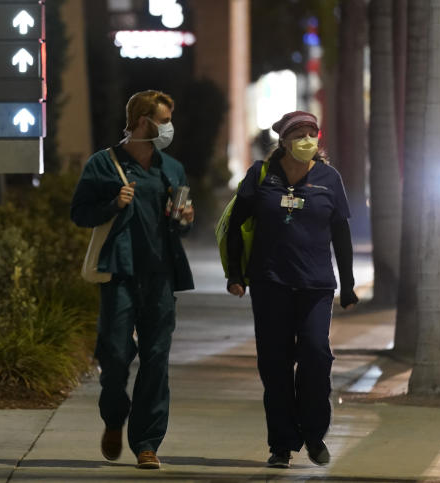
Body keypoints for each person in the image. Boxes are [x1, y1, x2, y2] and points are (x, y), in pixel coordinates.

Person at [225, 110, 359, 470]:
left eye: (311, 133)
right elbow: (237, 224)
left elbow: (341, 234)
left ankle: (314, 435)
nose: (306, 140)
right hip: (270, 284)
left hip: (316, 285)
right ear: (282, 140)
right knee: (276, 365)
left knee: (316, 355)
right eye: (297, 134)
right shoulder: (261, 175)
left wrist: (347, 285)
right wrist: (235, 274)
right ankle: (282, 444)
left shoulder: (329, 178)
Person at [70, 90, 195, 471]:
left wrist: (185, 218)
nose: (168, 127)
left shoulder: (171, 169)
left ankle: (147, 444)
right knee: (115, 355)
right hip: (120, 274)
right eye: (163, 119)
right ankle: (113, 418)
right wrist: (113, 204)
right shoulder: (103, 165)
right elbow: (80, 213)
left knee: (157, 359)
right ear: (142, 121)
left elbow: (181, 226)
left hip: (160, 276)